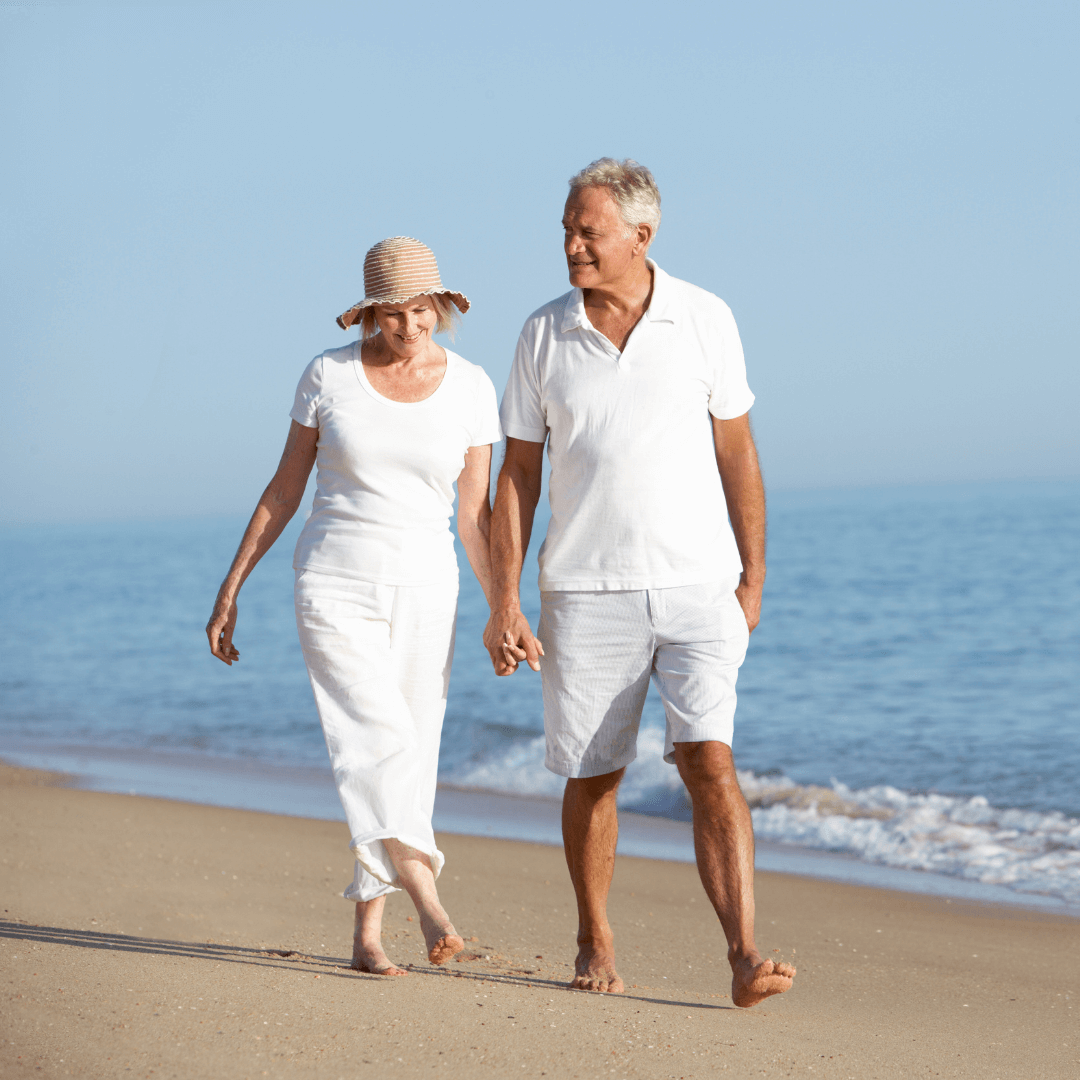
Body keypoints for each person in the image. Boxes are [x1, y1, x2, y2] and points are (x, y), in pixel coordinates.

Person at [483, 159, 796, 1007]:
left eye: (588, 231)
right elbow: (516, 474)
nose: (571, 244)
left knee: (710, 761)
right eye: (566, 228)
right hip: (584, 592)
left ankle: (742, 954)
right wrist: (504, 599)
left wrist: (753, 579)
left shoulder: (705, 317)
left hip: (700, 585)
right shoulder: (542, 333)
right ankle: (594, 936)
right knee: (595, 775)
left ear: (640, 236)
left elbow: (738, 450)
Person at [207, 236, 501, 976]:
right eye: (393, 312)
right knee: (371, 738)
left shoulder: (471, 387)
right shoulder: (328, 376)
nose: (409, 326)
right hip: (334, 580)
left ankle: (367, 935)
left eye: (421, 309)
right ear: (369, 314)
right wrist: (232, 585)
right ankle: (429, 898)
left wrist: (506, 607)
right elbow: (284, 489)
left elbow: (475, 516)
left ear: (442, 307)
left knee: (411, 746)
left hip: (429, 585)